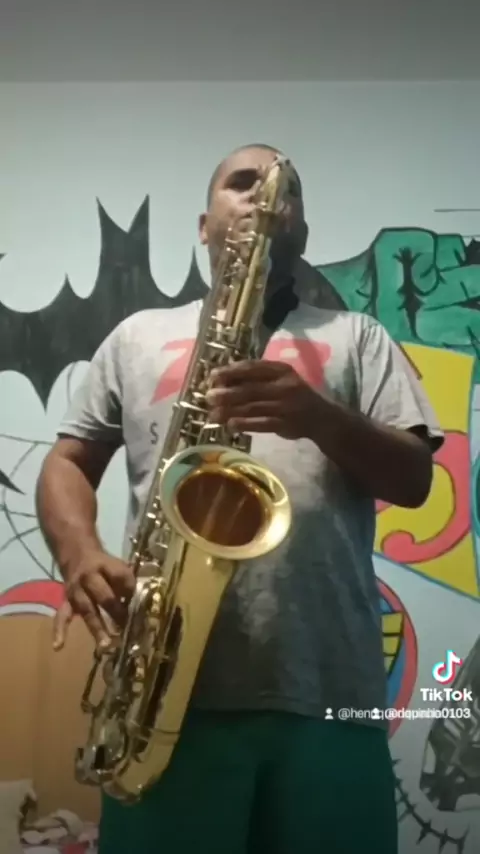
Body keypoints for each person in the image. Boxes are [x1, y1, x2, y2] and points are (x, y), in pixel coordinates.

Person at [36, 143, 444, 854]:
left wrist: (318, 417)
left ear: (302, 229)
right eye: (242, 182)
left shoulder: (359, 338)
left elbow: (413, 481)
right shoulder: (136, 337)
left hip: (330, 691)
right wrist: (79, 554)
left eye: (286, 189)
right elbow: (68, 461)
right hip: (161, 692)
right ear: (203, 225)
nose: (264, 195)